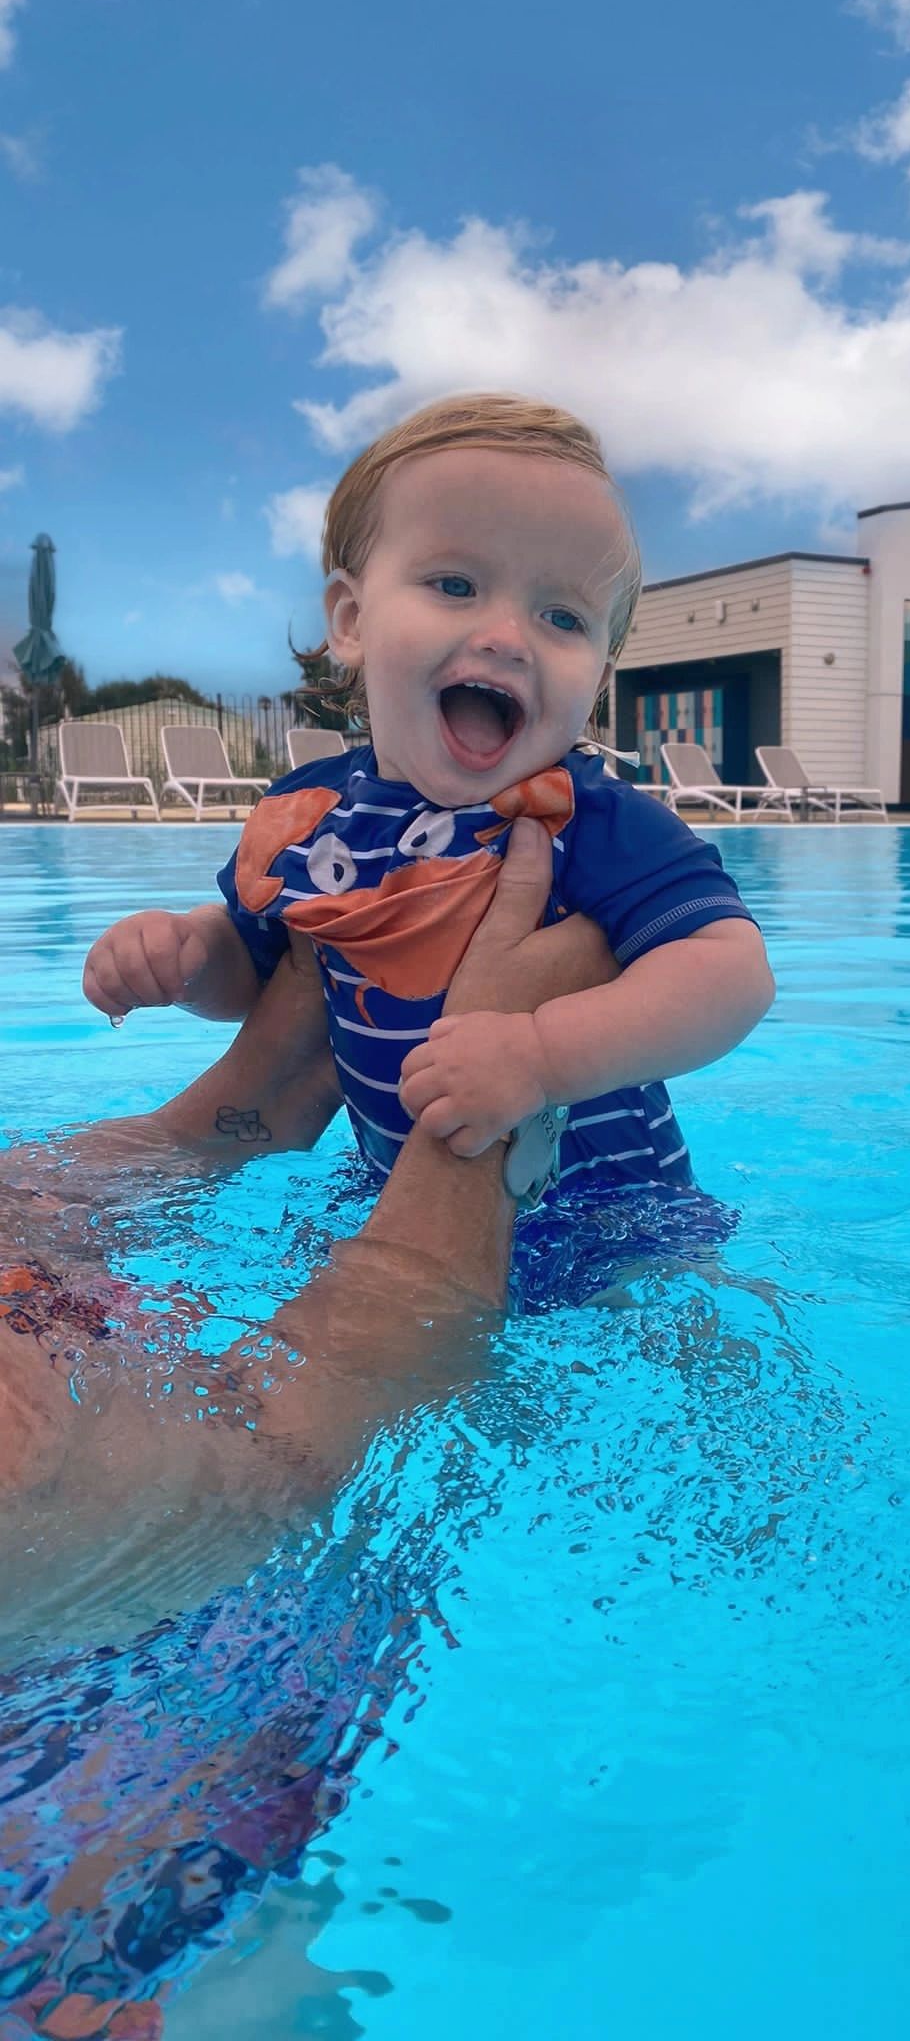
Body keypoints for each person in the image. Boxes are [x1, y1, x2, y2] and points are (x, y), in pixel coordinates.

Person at [0, 824, 620, 2039]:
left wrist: (255, 1077)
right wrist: (496, 1076)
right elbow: (313, 1410)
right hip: (87, 1874)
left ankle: (254, 1099)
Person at [79, 391, 775, 1279]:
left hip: (620, 1229)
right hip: (401, 1203)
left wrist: (542, 1057)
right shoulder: (309, 813)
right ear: (352, 619)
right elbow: (254, 980)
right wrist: (181, 954)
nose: (507, 636)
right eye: (455, 585)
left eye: (564, 617)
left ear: (600, 672)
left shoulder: (592, 818)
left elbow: (731, 975)